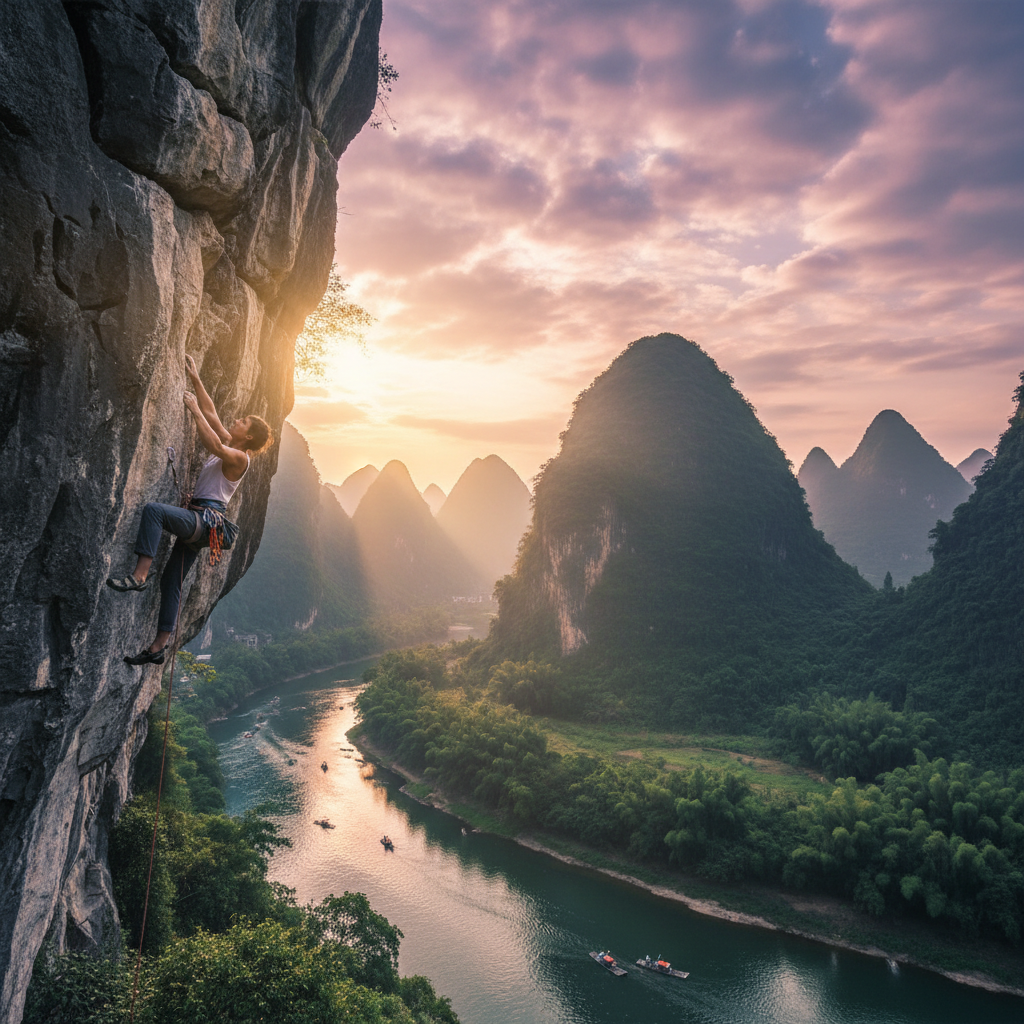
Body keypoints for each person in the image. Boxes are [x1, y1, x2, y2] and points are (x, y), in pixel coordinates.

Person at [108, 355, 273, 665]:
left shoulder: (240, 458)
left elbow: (213, 442)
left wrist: (192, 408)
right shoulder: (232, 443)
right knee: (172, 582)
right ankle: (158, 648)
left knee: (155, 511)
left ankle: (139, 576)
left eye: (241, 422)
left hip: (202, 522)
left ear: (247, 436)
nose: (234, 421)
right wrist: (196, 378)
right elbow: (212, 414)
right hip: (202, 525)